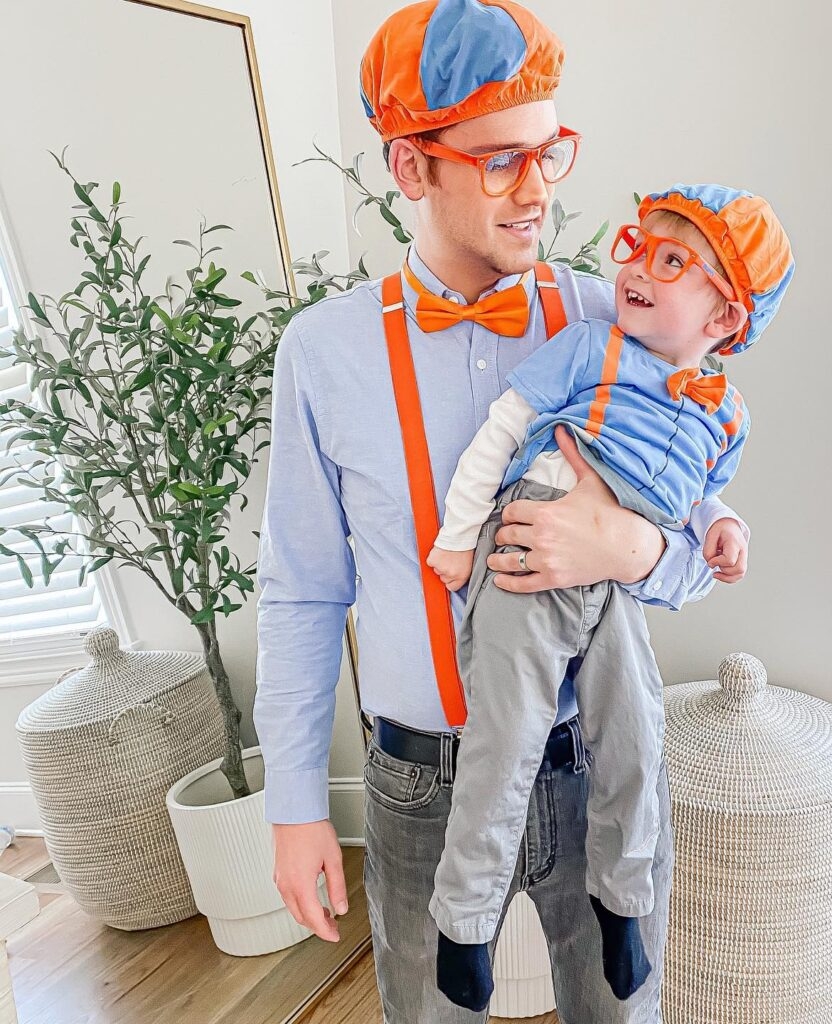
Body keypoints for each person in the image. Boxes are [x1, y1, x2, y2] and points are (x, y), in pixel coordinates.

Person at [253, 1, 752, 1020]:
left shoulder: (616, 319)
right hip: (417, 790)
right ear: (410, 166)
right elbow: (302, 592)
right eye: (498, 161)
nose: (538, 192)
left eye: (550, 153)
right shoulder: (322, 352)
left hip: (593, 767)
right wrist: (295, 803)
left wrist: (632, 543)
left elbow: (705, 526)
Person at [425, 182, 794, 1010]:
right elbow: (502, 428)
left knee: (635, 734)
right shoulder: (592, 344)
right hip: (528, 545)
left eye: (674, 261)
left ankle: (624, 901)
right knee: (508, 738)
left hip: (613, 589)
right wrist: (458, 538)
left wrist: (722, 523)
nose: (639, 267)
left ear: (725, 319)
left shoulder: (725, 415)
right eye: (639, 246)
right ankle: (464, 920)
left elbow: (696, 494)